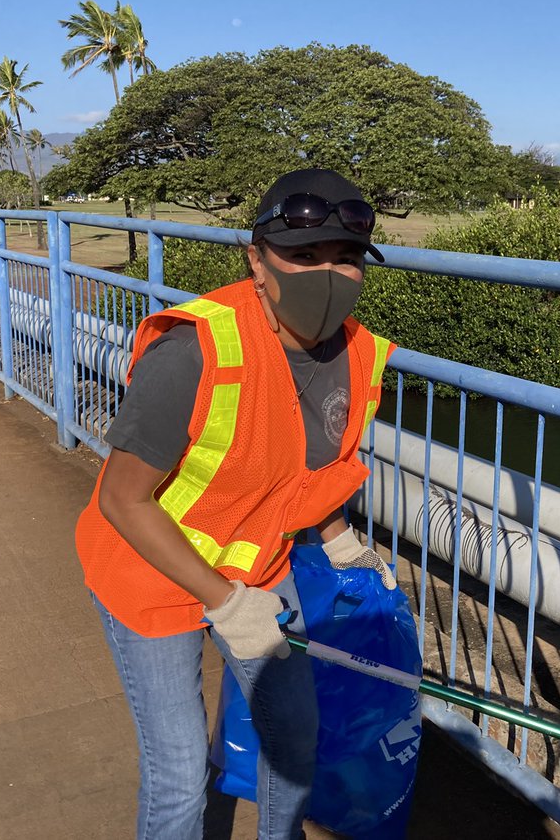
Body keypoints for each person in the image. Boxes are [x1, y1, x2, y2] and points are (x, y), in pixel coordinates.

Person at [75, 168, 397, 840]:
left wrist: (339, 540)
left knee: (293, 737)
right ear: (257, 259)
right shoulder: (195, 351)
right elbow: (121, 500)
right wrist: (223, 602)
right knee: (180, 774)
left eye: (345, 258)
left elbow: (313, 466)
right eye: (303, 256)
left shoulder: (359, 354)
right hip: (150, 572)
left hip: (258, 562)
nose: (328, 275)